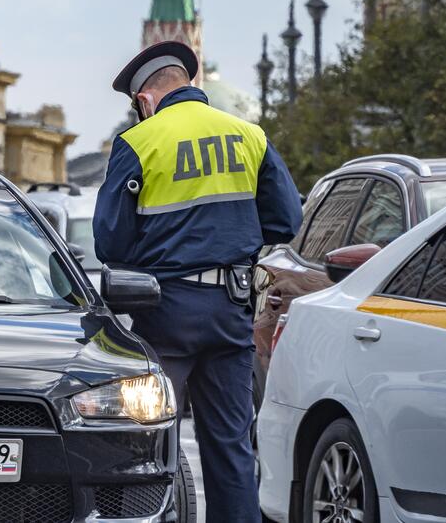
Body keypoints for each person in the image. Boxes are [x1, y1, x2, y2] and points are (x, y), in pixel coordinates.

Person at [93, 41, 302, 523]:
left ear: (144, 100)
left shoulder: (140, 142)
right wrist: (233, 239)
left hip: (166, 310)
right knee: (231, 446)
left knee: (146, 440)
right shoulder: (249, 135)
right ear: (190, 82)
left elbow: (111, 244)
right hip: (233, 308)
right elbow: (287, 220)